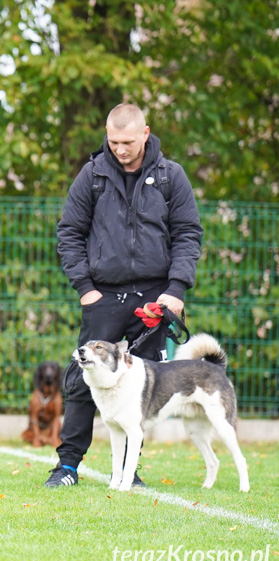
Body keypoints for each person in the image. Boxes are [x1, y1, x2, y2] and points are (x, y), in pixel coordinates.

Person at [45, 103, 203, 487]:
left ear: (145, 133)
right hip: (103, 296)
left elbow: (188, 234)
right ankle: (67, 467)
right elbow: (69, 233)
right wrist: (85, 288)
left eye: (127, 141)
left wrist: (176, 289)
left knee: (145, 385)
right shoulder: (92, 175)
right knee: (83, 379)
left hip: (155, 298)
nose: (119, 148)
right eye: (113, 141)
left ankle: (129, 471)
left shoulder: (171, 176)